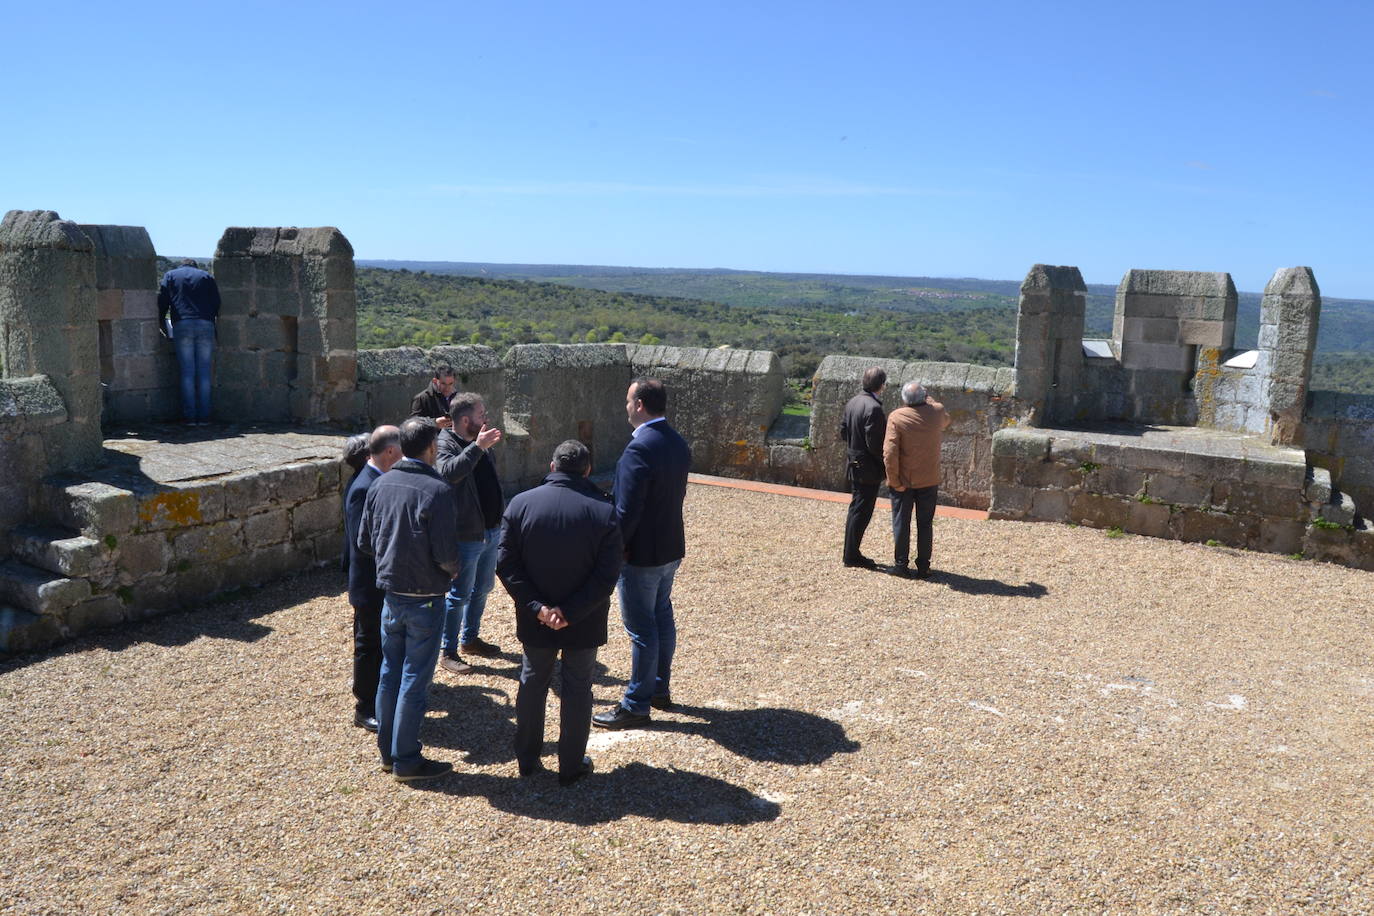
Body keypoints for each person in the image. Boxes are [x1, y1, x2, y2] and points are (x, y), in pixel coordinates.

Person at [498, 440, 623, 786]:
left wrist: (539, 609)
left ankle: (526, 759)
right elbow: (607, 575)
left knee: (532, 681)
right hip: (584, 617)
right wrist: (569, 612)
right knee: (578, 686)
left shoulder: (521, 504)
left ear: (552, 467)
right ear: (587, 471)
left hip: (535, 616)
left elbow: (506, 565)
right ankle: (570, 765)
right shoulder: (603, 511)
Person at [357, 416, 461, 783]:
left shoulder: (379, 485)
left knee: (389, 674)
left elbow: (364, 543)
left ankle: (388, 755)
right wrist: (451, 570)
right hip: (426, 598)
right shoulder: (439, 491)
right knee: (414, 679)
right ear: (432, 447)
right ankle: (406, 760)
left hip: (391, 596)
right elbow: (447, 553)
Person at [593, 378, 692, 730]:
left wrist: (613, 549)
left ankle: (636, 703)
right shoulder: (676, 441)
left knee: (642, 628)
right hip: (669, 546)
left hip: (642, 554)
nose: (625, 406)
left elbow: (627, 511)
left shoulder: (639, 449)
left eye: (627, 399)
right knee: (661, 616)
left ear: (639, 405)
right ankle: (659, 689)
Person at [434, 392, 504, 674]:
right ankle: (447, 651)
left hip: (490, 529)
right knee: (459, 594)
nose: (485, 418)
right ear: (464, 420)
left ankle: (470, 639)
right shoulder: (445, 443)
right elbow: (447, 473)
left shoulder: (482, 440)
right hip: (466, 533)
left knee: (484, 588)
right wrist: (477, 447)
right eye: (480, 415)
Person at [342, 426, 402, 732]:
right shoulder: (364, 487)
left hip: (383, 581)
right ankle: (364, 706)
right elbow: (362, 543)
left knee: (382, 642)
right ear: (389, 452)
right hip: (370, 583)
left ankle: (380, 694)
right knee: (368, 645)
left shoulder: (379, 480)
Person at [883, 381, 951, 579]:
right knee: (925, 523)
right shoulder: (937, 412)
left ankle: (901, 565)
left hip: (905, 481)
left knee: (901, 522)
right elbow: (946, 421)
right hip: (929, 479)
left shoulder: (897, 417)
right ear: (925, 397)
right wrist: (927, 399)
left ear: (904, 399)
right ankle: (923, 567)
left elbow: (890, 453)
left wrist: (893, 480)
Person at [157, 258, 221, 426]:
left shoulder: (170, 275)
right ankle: (205, 416)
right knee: (204, 372)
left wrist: (162, 323)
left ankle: (190, 417)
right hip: (205, 323)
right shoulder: (206, 276)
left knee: (187, 372)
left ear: (181, 265)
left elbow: (162, 301)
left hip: (182, 323)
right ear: (195, 266)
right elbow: (216, 302)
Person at [839, 366, 888, 570]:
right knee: (862, 510)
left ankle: (851, 552)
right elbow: (875, 444)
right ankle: (851, 555)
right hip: (868, 467)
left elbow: (843, 432)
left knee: (856, 508)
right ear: (882, 385)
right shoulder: (874, 408)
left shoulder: (853, 402)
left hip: (854, 461)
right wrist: (884, 463)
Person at [410, 364, 456, 430]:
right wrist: (434, 423)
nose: (447, 388)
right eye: (443, 384)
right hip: (432, 438)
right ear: (435, 381)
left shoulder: (458, 397)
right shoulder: (421, 398)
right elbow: (413, 424)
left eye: (450, 384)